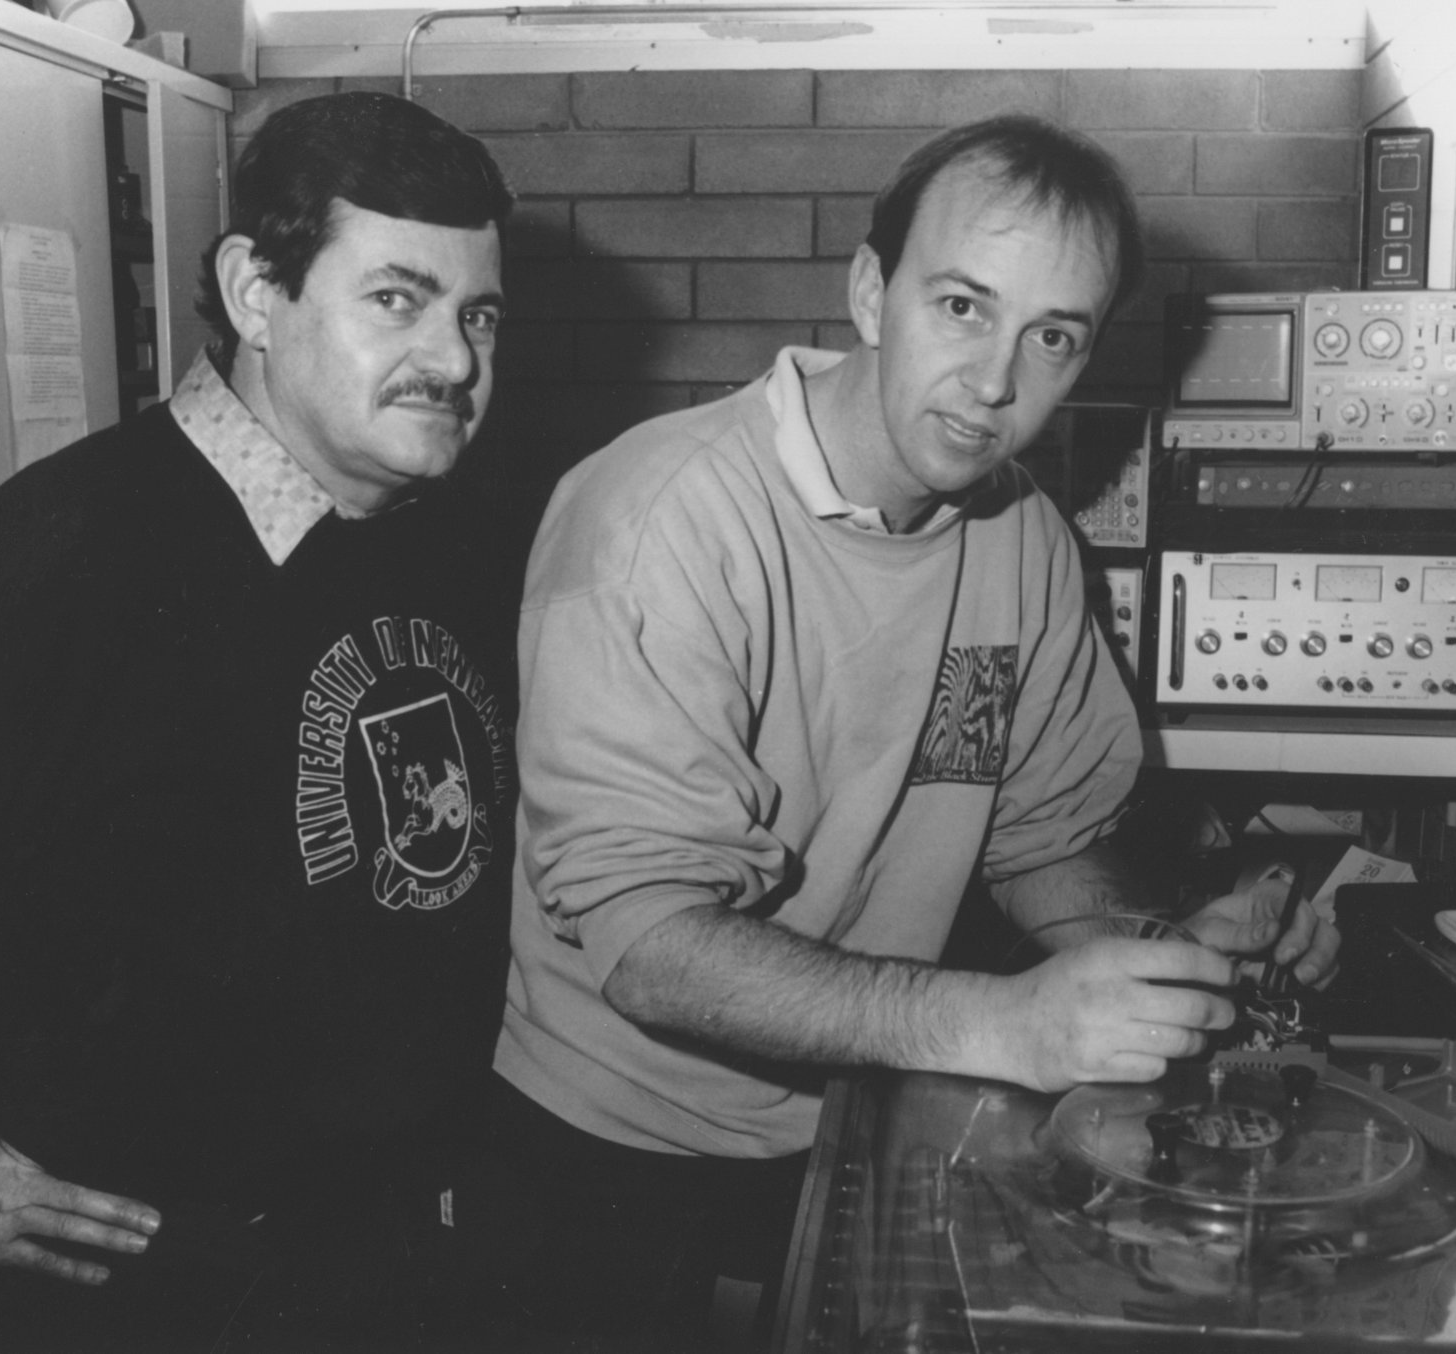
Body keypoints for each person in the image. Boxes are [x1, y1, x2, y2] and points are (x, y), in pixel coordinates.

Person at [450, 113, 1340, 1352]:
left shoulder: (1021, 536)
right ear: (871, 292)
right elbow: (647, 945)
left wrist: (1159, 957)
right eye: (962, 307)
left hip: (858, 1121)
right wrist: (1005, 1023)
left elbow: (1037, 839)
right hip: (615, 1160)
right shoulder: (661, 518)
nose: (994, 382)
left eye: (1051, 336)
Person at [0, 91, 520, 1352]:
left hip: (368, 1248)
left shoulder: (443, 540)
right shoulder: (59, 556)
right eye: (397, 299)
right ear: (254, 293)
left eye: (478, 315)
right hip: (135, 1288)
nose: (453, 360)